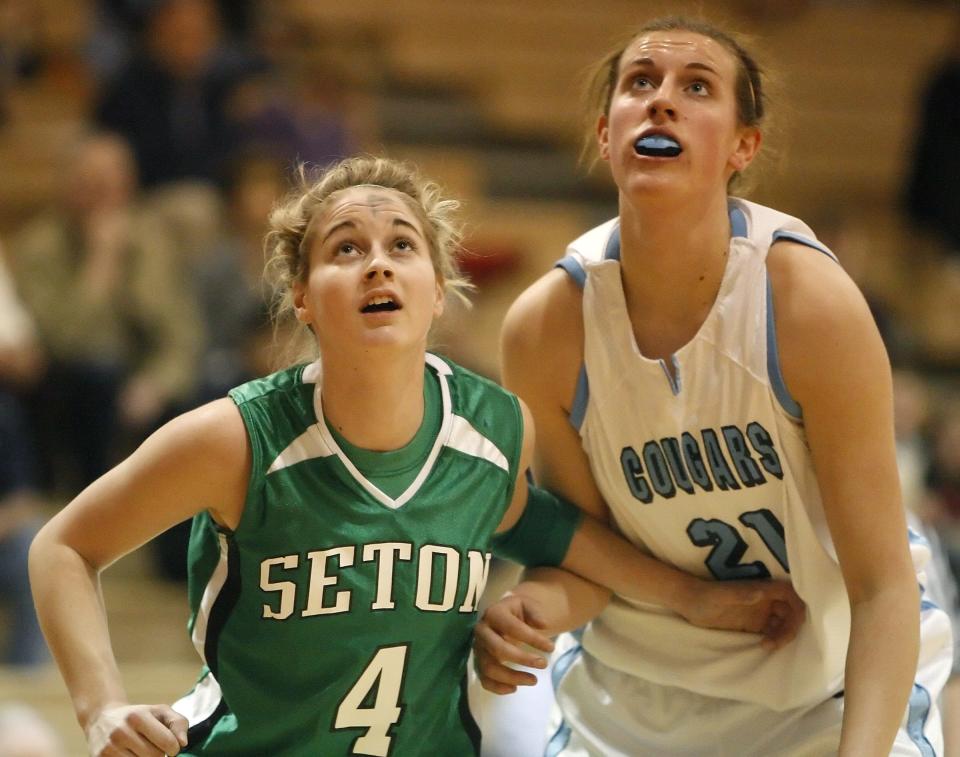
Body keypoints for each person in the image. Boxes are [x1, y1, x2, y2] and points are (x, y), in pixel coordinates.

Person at [27, 155, 804, 756]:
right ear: (301, 295)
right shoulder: (236, 439)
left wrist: (693, 598)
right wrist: (99, 708)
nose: (377, 262)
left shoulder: (492, 428)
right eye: (346, 248)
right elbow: (63, 546)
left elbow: (551, 531)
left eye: (402, 245)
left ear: (438, 289)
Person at [474, 16, 954, 757]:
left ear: (743, 146)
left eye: (695, 87)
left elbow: (883, 588)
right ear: (607, 134)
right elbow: (584, 555)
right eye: (641, 83)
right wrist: (532, 606)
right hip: (631, 698)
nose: (661, 101)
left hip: (823, 685)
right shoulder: (546, 328)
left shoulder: (806, 302)